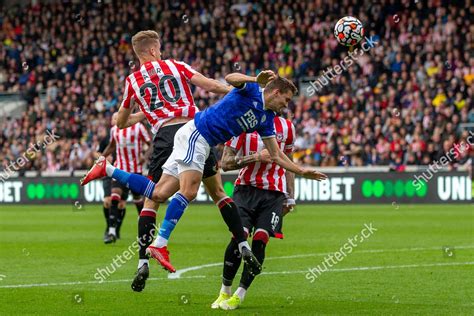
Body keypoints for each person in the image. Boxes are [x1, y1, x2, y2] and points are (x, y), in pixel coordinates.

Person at [82, 70, 327, 275]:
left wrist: (302, 170)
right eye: (285, 99)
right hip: (196, 135)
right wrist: (255, 78)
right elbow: (231, 77)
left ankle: (108, 168)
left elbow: (276, 155)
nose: (286, 105)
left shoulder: (267, 118)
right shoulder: (251, 90)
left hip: (198, 139)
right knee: (188, 191)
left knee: (159, 192)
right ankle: (160, 244)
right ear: (274, 91)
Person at [81, 30, 258, 292]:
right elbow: (209, 84)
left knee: (153, 201)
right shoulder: (175, 65)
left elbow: (120, 121)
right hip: (197, 129)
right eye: (159, 48)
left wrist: (144, 115)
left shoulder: (132, 81)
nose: (161, 52)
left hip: (165, 136)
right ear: (153, 50)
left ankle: (143, 261)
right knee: (217, 192)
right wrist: (235, 91)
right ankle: (243, 246)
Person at [211, 115, 296, 310]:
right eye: (284, 97)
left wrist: (290, 196)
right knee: (238, 237)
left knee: (260, 238)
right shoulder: (242, 123)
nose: (286, 102)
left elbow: (289, 163)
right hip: (246, 190)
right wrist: (256, 157)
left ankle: (240, 295)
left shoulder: (288, 128)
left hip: (274, 194)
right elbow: (225, 163)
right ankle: (225, 290)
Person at [100, 113, 152, 243]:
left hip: (135, 171)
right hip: (120, 170)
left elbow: (150, 144)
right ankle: (111, 232)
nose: (117, 120)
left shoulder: (139, 127)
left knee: (138, 200)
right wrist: (102, 157)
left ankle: (146, 231)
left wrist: (144, 157)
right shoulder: (114, 130)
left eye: (119, 117)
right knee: (115, 196)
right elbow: (111, 146)